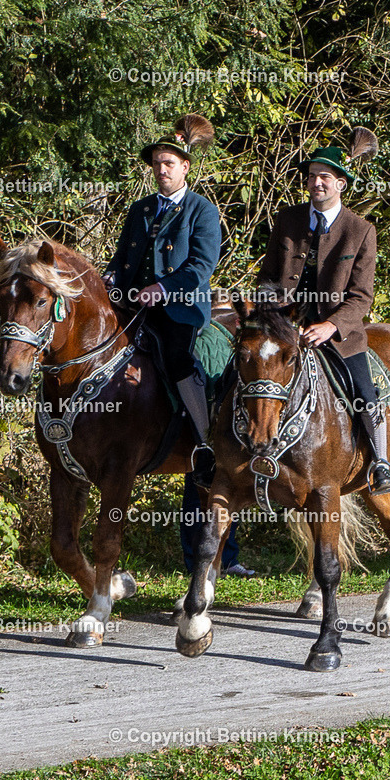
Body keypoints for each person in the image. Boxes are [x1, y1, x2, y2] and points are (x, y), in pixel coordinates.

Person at [257, 127, 390, 495]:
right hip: (284, 326)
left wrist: (330, 326)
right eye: (311, 175)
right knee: (238, 372)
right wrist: (272, 313)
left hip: (337, 335)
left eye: (324, 176)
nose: (315, 182)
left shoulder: (360, 230)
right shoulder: (286, 220)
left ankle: (381, 463)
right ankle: (217, 449)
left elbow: (361, 297)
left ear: (340, 184)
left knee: (365, 392)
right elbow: (268, 277)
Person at [104, 114, 221, 488]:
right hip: (134, 305)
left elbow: (201, 265)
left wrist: (163, 288)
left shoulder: (201, 210)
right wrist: (109, 279)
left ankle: (204, 443)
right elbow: (122, 260)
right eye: (156, 164)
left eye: (168, 163)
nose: (161, 170)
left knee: (177, 358)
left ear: (185, 166)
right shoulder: (139, 209)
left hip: (180, 307)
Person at [179, 472, 255, 578]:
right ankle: (195, 565)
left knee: (227, 500)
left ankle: (228, 562)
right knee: (196, 498)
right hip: (200, 458)